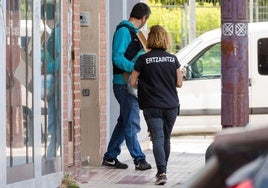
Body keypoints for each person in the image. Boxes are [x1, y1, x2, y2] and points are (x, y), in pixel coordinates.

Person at [130, 25, 183, 185]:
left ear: (151, 39)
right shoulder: (173, 59)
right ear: (166, 39)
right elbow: (179, 83)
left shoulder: (143, 59)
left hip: (151, 105)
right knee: (166, 139)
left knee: (157, 139)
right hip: (171, 105)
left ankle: (161, 172)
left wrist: (144, 86)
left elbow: (132, 82)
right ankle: (163, 171)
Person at [102, 2, 152, 170]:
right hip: (123, 84)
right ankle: (139, 159)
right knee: (132, 122)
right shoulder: (124, 31)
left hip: (127, 84)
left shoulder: (134, 33)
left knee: (124, 122)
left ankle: (110, 156)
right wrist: (137, 68)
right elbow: (117, 58)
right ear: (144, 18)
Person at [41, 2, 61, 158]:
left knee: (55, 117)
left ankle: (51, 153)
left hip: (57, 81)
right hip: (54, 81)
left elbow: (61, 58)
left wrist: (49, 66)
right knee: (54, 117)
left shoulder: (58, 32)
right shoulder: (55, 32)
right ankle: (51, 152)